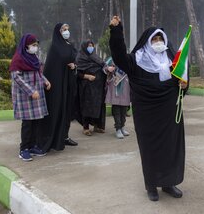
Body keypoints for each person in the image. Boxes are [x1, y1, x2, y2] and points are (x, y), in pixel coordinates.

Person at [109, 16, 188, 201]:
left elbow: (181, 77)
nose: (158, 42)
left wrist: (185, 84)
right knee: (150, 148)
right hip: (147, 112)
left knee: (170, 147)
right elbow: (119, 56)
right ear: (147, 41)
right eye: (154, 39)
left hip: (169, 111)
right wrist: (116, 31)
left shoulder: (171, 59)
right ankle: (151, 185)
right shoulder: (136, 60)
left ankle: (169, 183)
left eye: (161, 39)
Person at [36, 23, 78, 152]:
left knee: (67, 110)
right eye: (63, 29)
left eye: (67, 29)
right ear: (58, 31)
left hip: (69, 82)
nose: (66, 31)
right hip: (58, 84)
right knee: (58, 110)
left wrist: (74, 65)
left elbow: (75, 59)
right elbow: (51, 67)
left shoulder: (69, 45)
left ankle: (64, 136)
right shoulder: (55, 47)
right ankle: (53, 139)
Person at [9, 34, 51, 161]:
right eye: (33, 45)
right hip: (25, 97)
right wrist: (31, 91)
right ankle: (24, 149)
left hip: (36, 95)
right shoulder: (18, 58)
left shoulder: (34, 58)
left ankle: (32, 146)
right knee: (27, 123)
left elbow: (38, 73)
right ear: (25, 45)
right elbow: (16, 77)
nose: (35, 47)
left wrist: (45, 81)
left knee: (35, 122)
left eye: (36, 45)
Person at [75, 40, 114, 136]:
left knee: (99, 105)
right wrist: (87, 76)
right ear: (84, 47)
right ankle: (86, 127)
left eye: (92, 45)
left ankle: (97, 126)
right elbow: (77, 73)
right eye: (88, 45)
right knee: (87, 106)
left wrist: (108, 69)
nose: (90, 47)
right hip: (86, 87)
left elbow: (103, 66)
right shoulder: (80, 58)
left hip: (98, 87)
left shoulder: (96, 57)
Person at [105, 56, 131, 139]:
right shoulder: (111, 59)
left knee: (124, 108)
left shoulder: (127, 58)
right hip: (115, 85)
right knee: (116, 108)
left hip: (125, 85)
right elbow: (104, 68)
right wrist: (108, 69)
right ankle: (118, 129)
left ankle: (122, 127)